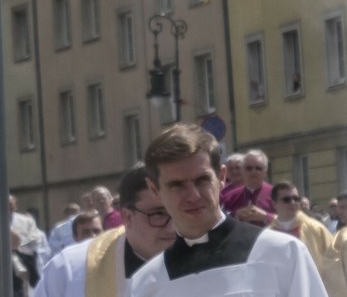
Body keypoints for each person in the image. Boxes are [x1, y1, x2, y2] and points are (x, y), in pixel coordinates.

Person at [129, 123, 325, 296]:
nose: (193, 196)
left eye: (202, 180)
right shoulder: (145, 285)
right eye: (177, 185)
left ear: (222, 177)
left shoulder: (282, 253)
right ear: (155, 190)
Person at [35, 164, 177, 297]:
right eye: (158, 214)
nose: (173, 227)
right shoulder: (71, 270)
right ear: (127, 217)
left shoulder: (198, 261)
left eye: (181, 212)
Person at [219, 149, 275, 227]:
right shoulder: (230, 197)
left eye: (258, 168)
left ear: (265, 171)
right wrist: (236, 215)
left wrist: (265, 217)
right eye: (249, 168)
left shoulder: (276, 194)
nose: (253, 172)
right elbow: (219, 222)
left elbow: (291, 220)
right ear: (242, 170)